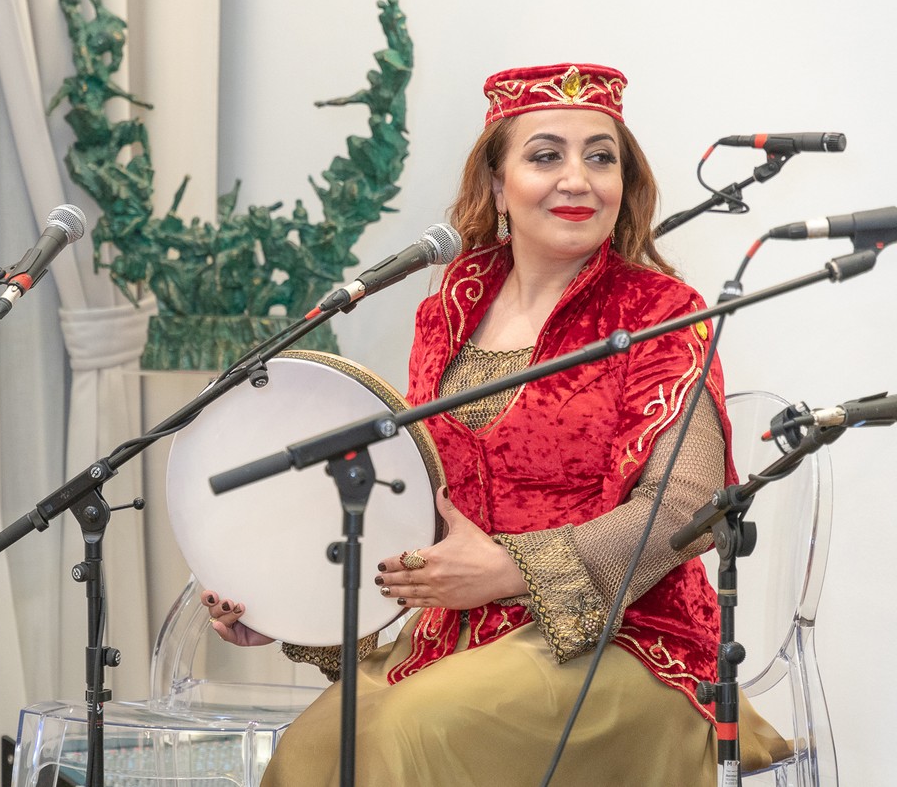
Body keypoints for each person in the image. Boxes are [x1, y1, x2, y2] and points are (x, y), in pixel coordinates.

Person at [203, 62, 788, 785]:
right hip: (454, 640)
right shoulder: (444, 314)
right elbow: (407, 508)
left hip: (625, 642)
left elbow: (688, 506)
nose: (578, 179)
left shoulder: (659, 312)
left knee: (405, 731)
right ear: (495, 184)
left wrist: (511, 569)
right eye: (546, 156)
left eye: (600, 157)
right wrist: (288, 602)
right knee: (313, 748)